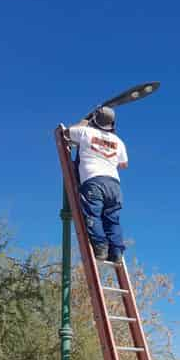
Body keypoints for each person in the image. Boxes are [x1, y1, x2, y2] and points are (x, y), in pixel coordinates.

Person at [66, 106, 128, 263]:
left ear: (95, 120)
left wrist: (83, 122)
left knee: (93, 215)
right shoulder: (118, 141)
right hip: (114, 185)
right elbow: (124, 164)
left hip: (93, 181)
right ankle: (117, 252)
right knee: (112, 219)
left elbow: (67, 133)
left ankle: (100, 248)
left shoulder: (86, 132)